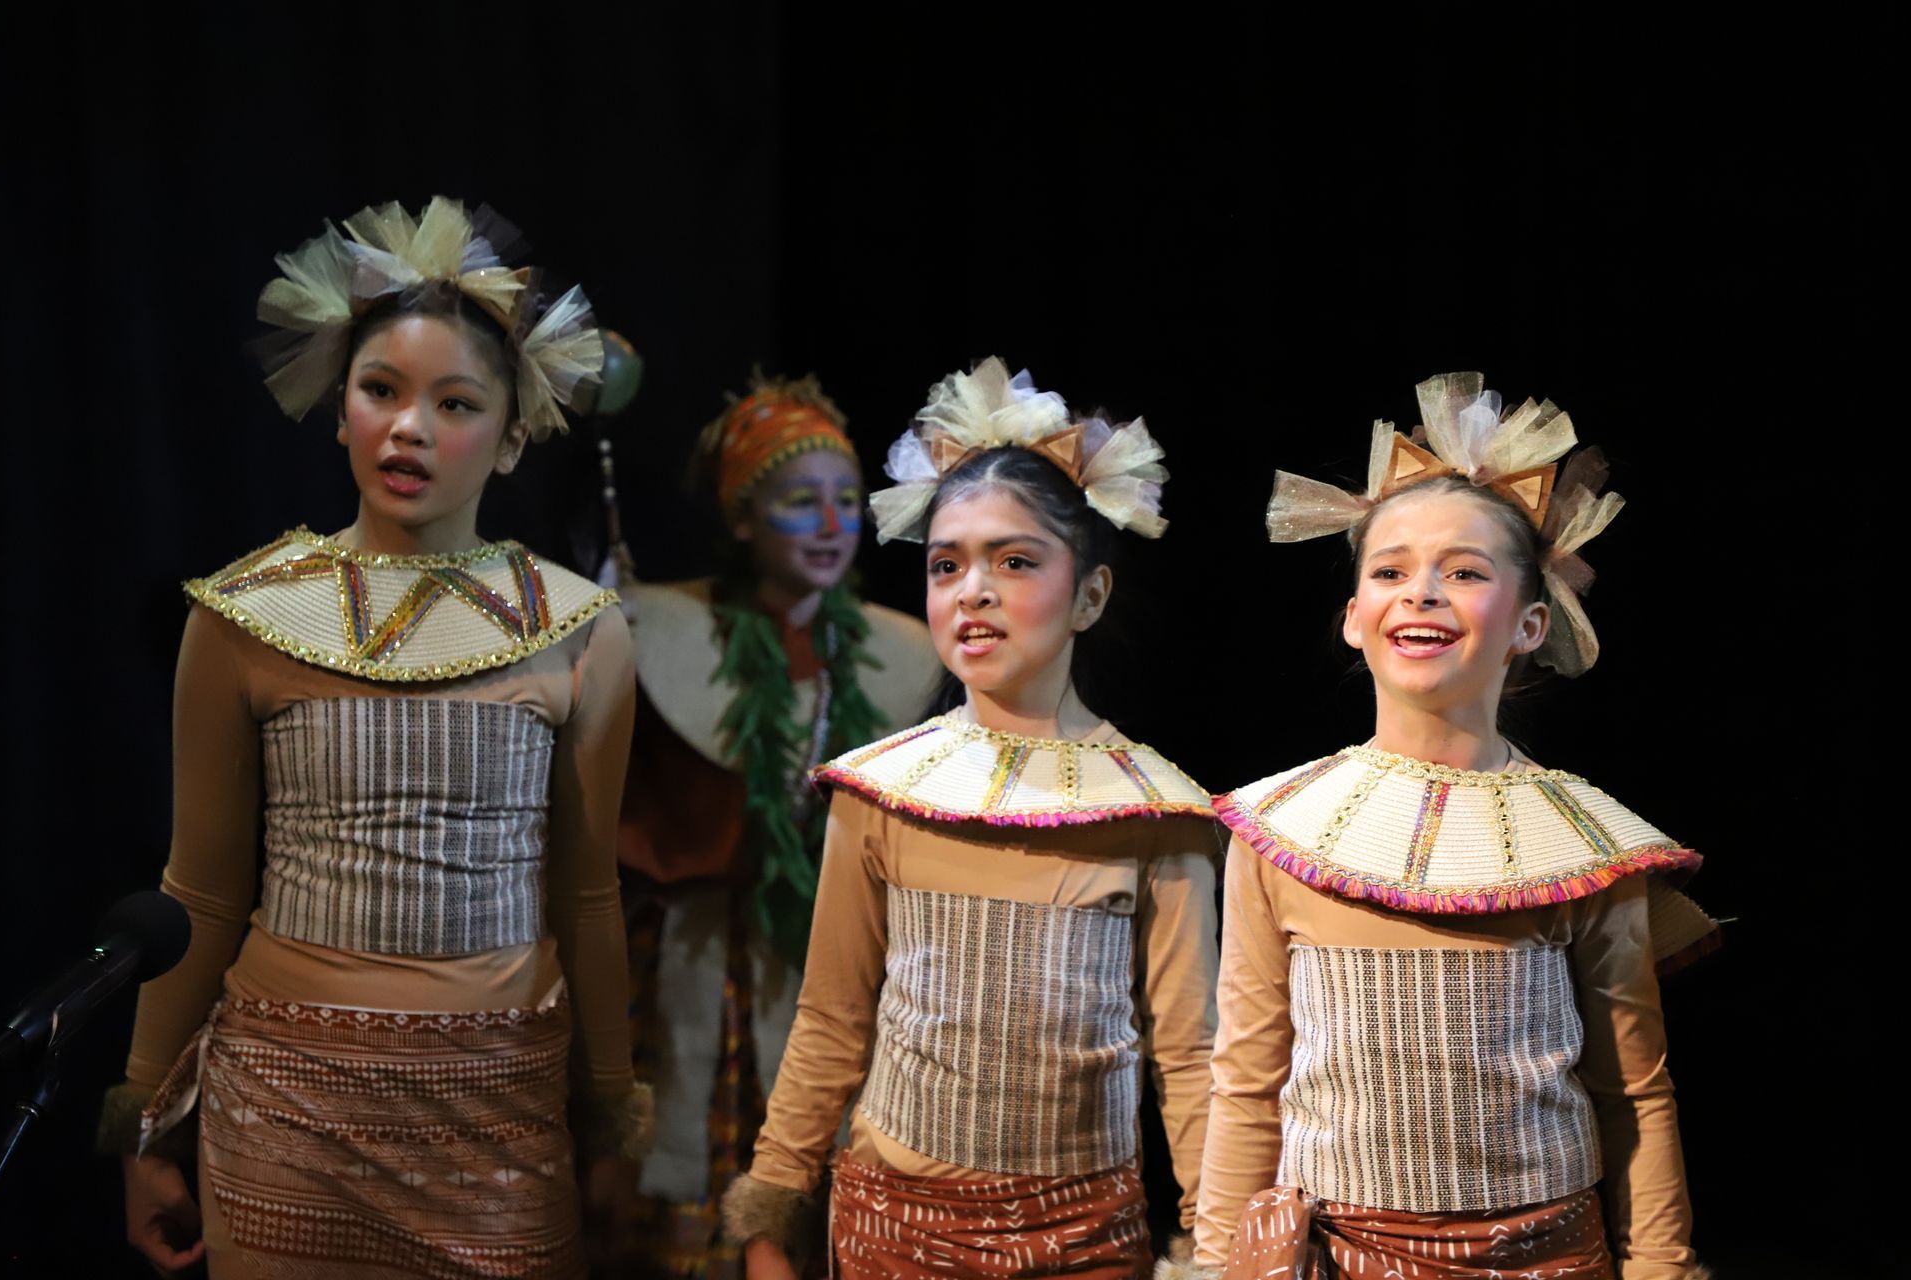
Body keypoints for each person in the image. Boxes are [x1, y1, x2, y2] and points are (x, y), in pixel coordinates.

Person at [98, 197, 648, 1279]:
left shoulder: (582, 628)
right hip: (285, 1123)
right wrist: (143, 1124)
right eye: (381, 390)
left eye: (456, 403)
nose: (408, 428)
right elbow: (200, 889)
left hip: (499, 1129)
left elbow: (586, 894)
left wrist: (609, 1114)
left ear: (512, 436)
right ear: (339, 405)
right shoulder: (243, 615)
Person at [1186, 373, 1715, 1280]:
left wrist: (1660, 1268)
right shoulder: (1277, 831)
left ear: (1530, 624)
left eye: (1465, 573)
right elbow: (1246, 1083)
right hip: (1344, 1257)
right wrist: (1213, 1263)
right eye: (1390, 572)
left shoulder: (1588, 849)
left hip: (1545, 1257)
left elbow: (1633, 1093)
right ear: (1354, 619)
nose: (1421, 592)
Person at [721, 357, 1222, 1278]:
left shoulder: (1157, 812)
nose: (972, 590)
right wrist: (771, 1211)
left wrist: (1212, 1245)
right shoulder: (880, 794)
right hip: (894, 1233)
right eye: (946, 564)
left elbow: (1190, 1059)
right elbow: (832, 1018)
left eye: (1015, 561)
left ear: (1091, 595)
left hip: (1082, 1242)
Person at [614, 373, 939, 1278]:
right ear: (744, 518)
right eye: (802, 502)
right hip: (692, 970)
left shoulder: (892, 653)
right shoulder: (664, 631)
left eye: (846, 501)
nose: (832, 524)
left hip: (825, 972)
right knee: (677, 1191)